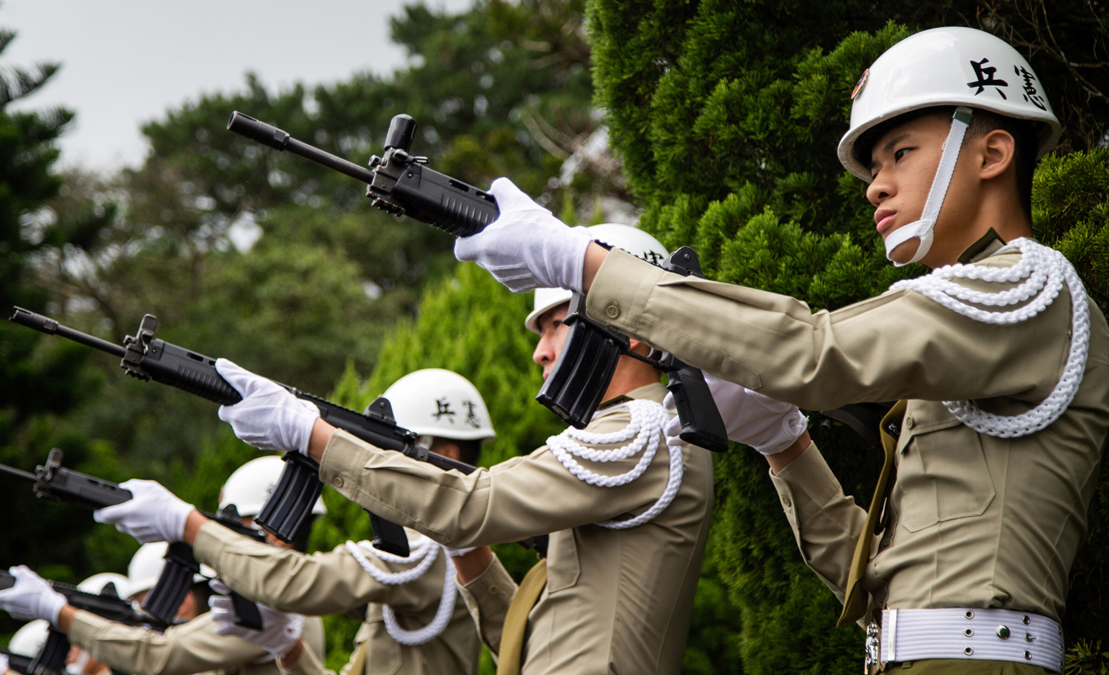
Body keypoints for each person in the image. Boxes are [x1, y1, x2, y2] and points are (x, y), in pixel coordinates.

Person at [450, 26, 1109, 675]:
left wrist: (582, 260)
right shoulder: (985, 320)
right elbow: (877, 585)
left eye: (900, 154)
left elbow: (811, 348)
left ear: (992, 153)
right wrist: (786, 446)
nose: (875, 185)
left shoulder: (1027, 289)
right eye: (874, 167)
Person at [202, 225, 781, 675]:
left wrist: (307, 434)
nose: (540, 351)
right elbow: (533, 646)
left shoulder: (641, 431)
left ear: (628, 325)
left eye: (555, 325)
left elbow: (469, 505)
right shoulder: (629, 438)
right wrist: (470, 554)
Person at [95, 371, 496, 674]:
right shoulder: (418, 556)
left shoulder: (426, 554)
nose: (374, 462)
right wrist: (289, 650)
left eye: (388, 449)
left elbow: (305, 583)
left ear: (445, 453)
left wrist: (188, 525)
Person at [0, 460, 328, 675]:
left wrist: (59, 613)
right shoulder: (284, 599)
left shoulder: (272, 604)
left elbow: (159, 654)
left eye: (237, 526)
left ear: (276, 534)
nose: (224, 539)